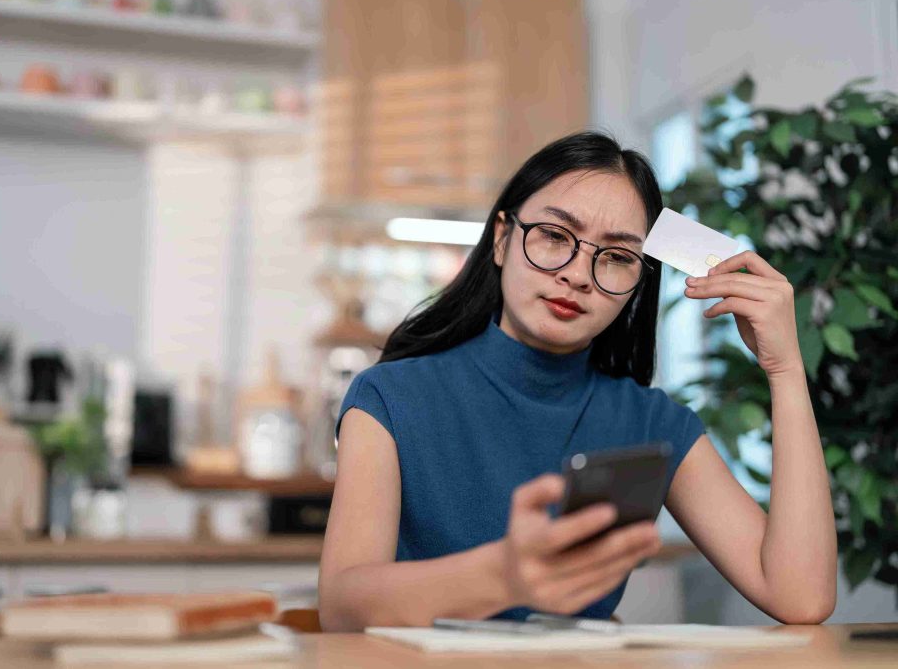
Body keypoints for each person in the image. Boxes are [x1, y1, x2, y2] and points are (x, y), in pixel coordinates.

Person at [317, 131, 837, 631]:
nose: (578, 274)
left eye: (615, 257)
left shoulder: (652, 422)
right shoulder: (389, 398)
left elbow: (801, 596)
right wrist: (503, 576)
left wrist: (785, 369)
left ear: (637, 282)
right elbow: (341, 606)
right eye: (553, 235)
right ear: (501, 239)